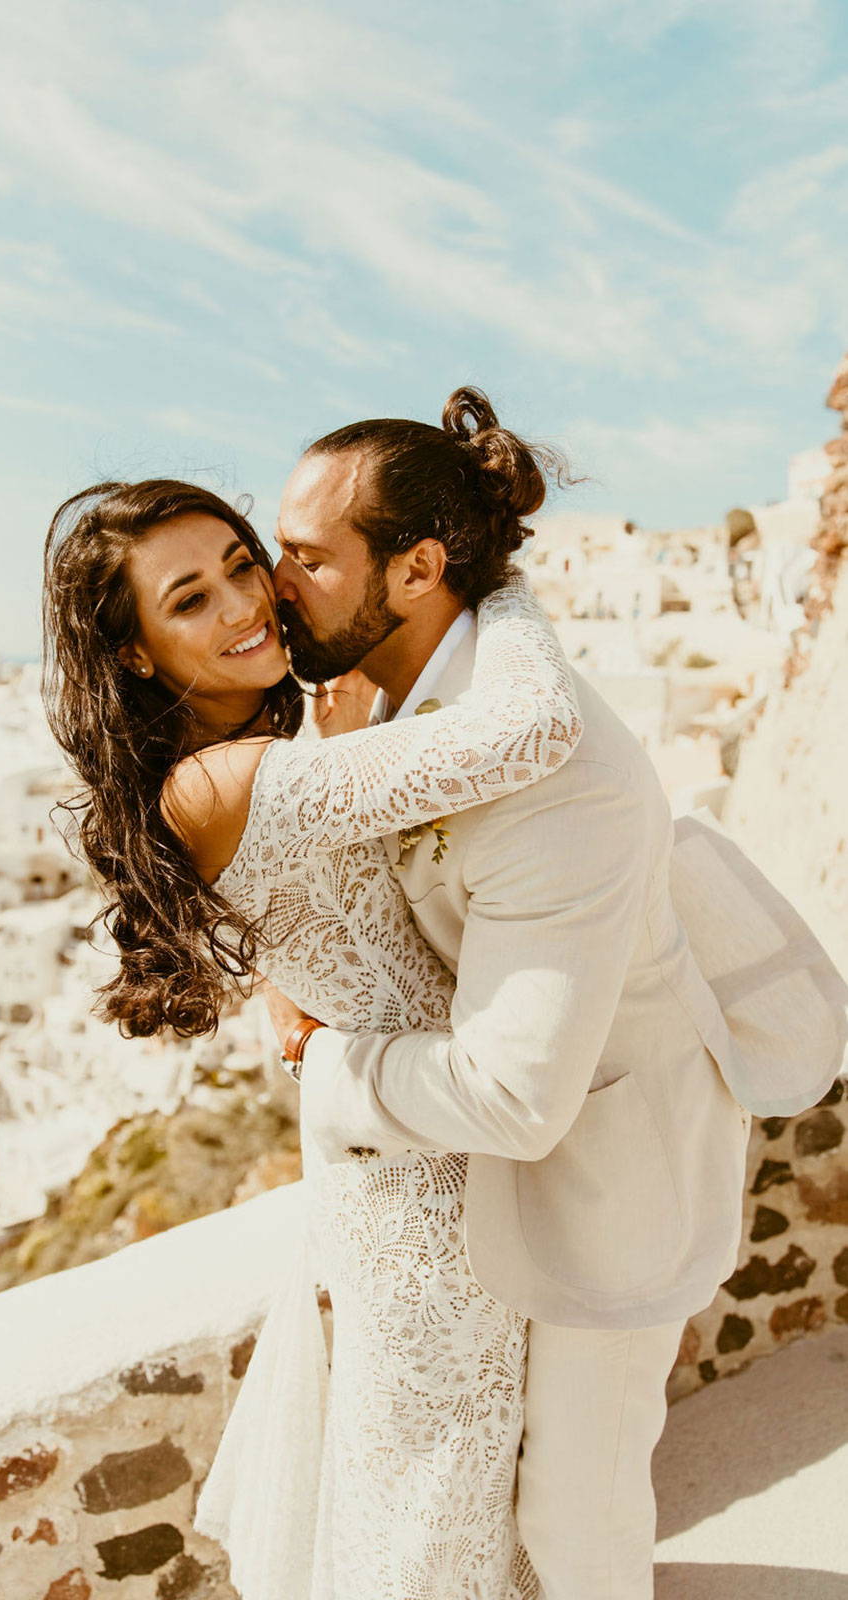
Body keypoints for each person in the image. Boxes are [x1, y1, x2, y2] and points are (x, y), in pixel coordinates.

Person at [40, 413, 584, 1600]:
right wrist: (491, 577)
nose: (245, 604)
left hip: (416, 1155)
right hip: (425, 1202)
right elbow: (534, 729)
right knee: (437, 1523)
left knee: (450, 1504)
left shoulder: (259, 747)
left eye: (243, 563)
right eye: (189, 599)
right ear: (134, 651)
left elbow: (323, 917)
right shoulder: (232, 777)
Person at [258, 388, 753, 1600]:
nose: (276, 583)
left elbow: (513, 1097)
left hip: (618, 1158)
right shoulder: (418, 694)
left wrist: (320, 1061)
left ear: (419, 567)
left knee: (575, 1496)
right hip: (525, 1160)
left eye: (308, 556)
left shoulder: (547, 771)